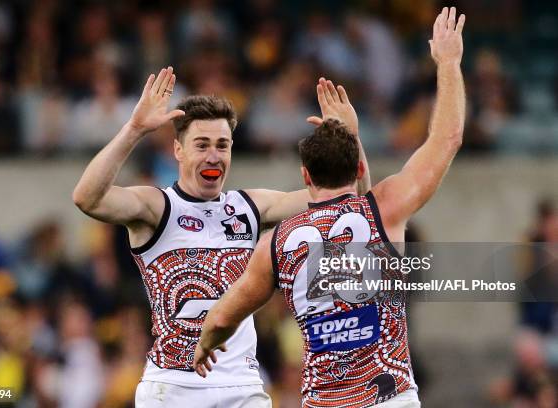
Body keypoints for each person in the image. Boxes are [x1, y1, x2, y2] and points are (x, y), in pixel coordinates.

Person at [194, 7, 466, 408]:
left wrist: (205, 344)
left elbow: (221, 318)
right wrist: (448, 62)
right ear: (358, 167)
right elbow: (448, 138)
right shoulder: (384, 209)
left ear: (306, 177)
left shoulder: (276, 243)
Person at [72, 63, 371, 406]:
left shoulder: (249, 207)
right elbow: (87, 197)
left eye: (222, 145)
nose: (214, 156)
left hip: (241, 388)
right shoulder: (157, 207)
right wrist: (134, 129)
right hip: (172, 389)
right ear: (178, 150)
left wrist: (351, 140)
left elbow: (351, 202)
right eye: (201, 145)